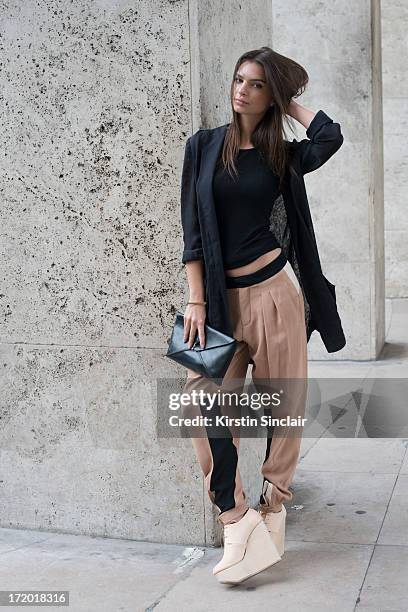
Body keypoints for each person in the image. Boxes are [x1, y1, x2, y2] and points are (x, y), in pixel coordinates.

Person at [178, 46, 345, 585]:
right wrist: (195, 301)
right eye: (239, 80)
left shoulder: (280, 155)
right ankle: (236, 517)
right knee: (199, 403)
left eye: (255, 84)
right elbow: (193, 235)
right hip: (217, 304)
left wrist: (290, 102)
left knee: (283, 406)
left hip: (275, 292)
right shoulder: (203, 147)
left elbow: (329, 137)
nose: (241, 91)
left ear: (270, 94)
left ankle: (274, 509)